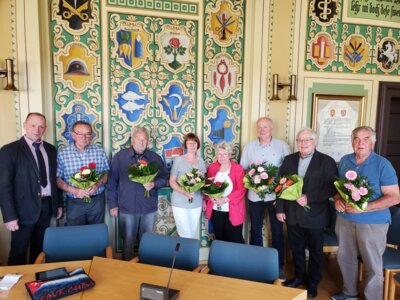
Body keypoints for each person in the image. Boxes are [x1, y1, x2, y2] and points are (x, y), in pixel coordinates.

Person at [332, 126, 400, 300]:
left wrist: (363, 207)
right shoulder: (345, 160)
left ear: (373, 142)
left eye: (365, 138)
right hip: (345, 220)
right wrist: (338, 199)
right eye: (356, 138)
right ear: (351, 141)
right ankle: (349, 293)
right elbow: (339, 188)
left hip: (373, 223)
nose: (360, 142)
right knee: (345, 258)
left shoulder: (383, 165)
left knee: (372, 264)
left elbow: (394, 197)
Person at [276, 128, 337, 299]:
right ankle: (299, 277)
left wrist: (309, 197)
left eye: (307, 140)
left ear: (314, 142)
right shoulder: (289, 160)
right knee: (296, 248)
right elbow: (281, 186)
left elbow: (331, 188)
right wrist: (280, 209)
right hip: (292, 213)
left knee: (316, 252)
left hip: (315, 215)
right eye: (300, 140)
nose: (303, 143)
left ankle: (313, 283)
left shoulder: (326, 161)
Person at [0, 112, 63, 265]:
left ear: (45, 128)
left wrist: (58, 204)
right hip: (22, 210)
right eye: (33, 125)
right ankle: (15, 284)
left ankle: (36, 282)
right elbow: (3, 185)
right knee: (18, 251)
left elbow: (55, 179)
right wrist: (9, 216)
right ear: (24, 125)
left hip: (46, 206)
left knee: (40, 249)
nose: (37, 130)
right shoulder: (9, 150)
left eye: (41, 126)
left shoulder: (50, 149)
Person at [107, 127, 168, 260]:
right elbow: (111, 183)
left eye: (144, 139)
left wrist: (154, 184)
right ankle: (128, 271)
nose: (141, 142)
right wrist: (113, 205)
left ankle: (145, 269)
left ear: (148, 142)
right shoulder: (120, 157)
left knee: (147, 242)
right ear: (132, 140)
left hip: (148, 208)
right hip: (126, 208)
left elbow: (164, 178)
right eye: (138, 139)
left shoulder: (155, 158)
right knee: (128, 242)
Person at [240, 117, 290, 280]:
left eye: (266, 127)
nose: (262, 130)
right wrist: (253, 180)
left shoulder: (282, 146)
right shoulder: (249, 147)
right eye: (260, 127)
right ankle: (257, 263)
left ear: (272, 128)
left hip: (275, 197)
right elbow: (243, 170)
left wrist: (280, 192)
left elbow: (288, 172)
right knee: (255, 229)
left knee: (276, 231)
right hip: (255, 196)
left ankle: (278, 266)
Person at [56, 121, 109, 226]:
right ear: (73, 135)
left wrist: (97, 184)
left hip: (96, 201)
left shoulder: (99, 151)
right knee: (75, 235)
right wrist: (74, 191)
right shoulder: (62, 153)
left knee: (96, 233)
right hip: (74, 202)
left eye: (88, 134)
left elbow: (107, 173)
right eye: (80, 133)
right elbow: (57, 179)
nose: (84, 137)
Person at [205, 142, 246, 243]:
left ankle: (238, 259)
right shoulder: (212, 167)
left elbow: (242, 189)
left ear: (230, 155)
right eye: (219, 153)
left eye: (225, 154)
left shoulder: (238, 168)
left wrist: (225, 199)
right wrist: (211, 197)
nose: (221, 156)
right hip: (216, 209)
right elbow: (207, 186)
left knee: (235, 239)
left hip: (232, 210)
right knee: (220, 239)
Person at [169, 133, 206, 238]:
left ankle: (188, 253)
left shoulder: (201, 161)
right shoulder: (179, 160)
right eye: (189, 143)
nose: (192, 145)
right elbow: (172, 181)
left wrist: (203, 199)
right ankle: (186, 254)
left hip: (197, 201)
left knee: (192, 232)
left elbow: (203, 182)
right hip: (180, 202)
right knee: (185, 234)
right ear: (185, 145)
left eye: (194, 143)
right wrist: (185, 192)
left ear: (197, 145)